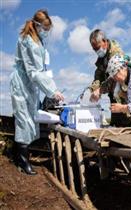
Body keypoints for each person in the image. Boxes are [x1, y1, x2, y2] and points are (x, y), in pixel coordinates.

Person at [10, 9, 64, 175]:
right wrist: (53, 90)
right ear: (38, 25)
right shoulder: (29, 41)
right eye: (45, 28)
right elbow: (34, 72)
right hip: (22, 84)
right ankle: (23, 161)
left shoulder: (37, 40)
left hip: (30, 85)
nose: (47, 32)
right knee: (24, 120)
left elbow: (40, 69)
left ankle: (16, 153)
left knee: (28, 118)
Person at [89, 29, 131, 127]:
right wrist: (93, 89)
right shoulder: (101, 59)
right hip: (113, 96)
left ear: (105, 41)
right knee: (115, 123)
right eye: (94, 49)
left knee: (126, 124)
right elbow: (98, 75)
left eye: (97, 48)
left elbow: (115, 78)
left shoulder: (116, 54)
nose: (97, 51)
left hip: (123, 95)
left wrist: (100, 90)